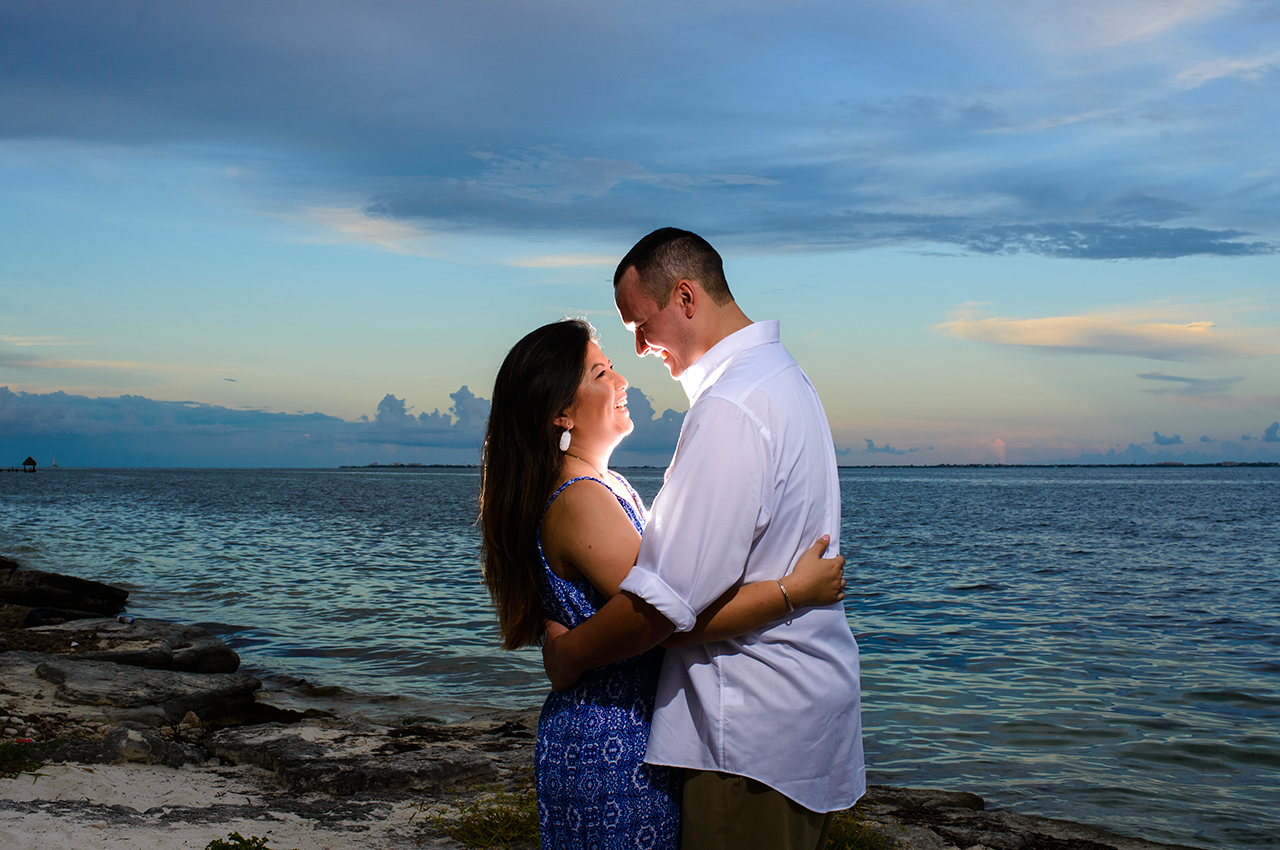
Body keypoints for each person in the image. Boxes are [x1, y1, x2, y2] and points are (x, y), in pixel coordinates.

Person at [542, 228, 865, 850]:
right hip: (792, 723)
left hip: (747, 734)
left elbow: (666, 608)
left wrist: (570, 655)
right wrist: (795, 591)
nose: (638, 349)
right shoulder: (783, 380)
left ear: (685, 297)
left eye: (641, 325)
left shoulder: (731, 407)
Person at [480, 318, 847, 850]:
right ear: (560, 412)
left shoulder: (606, 486)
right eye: (601, 372)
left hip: (628, 729)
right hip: (613, 740)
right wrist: (794, 592)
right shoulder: (580, 499)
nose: (621, 379)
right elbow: (669, 614)